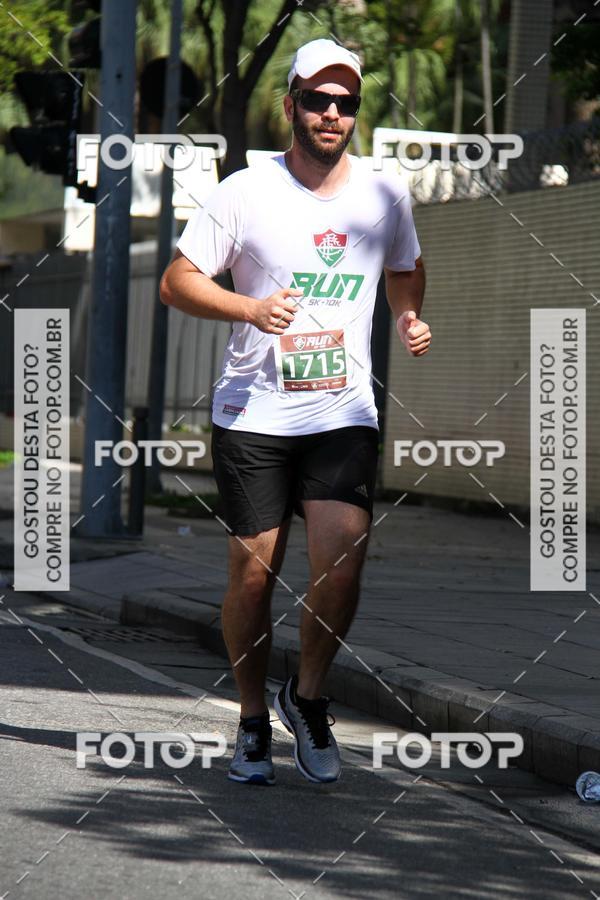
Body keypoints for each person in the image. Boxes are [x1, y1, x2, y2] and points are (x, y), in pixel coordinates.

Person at [160, 38, 430, 786]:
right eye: (318, 100)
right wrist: (249, 305)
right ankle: (251, 719)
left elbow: (407, 267)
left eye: (346, 103)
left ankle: (306, 698)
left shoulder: (383, 195)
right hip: (254, 412)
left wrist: (407, 318)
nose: (332, 113)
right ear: (292, 106)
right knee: (254, 573)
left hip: (343, 410)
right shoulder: (245, 190)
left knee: (342, 562)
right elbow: (178, 282)